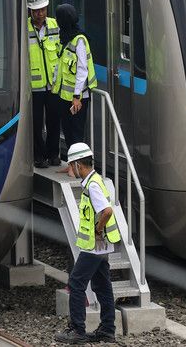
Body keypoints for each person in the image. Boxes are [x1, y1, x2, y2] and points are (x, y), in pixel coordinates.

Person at [54, 142, 119, 344]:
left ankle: (77, 330)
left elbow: (106, 211)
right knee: (102, 285)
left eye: (71, 165)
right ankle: (107, 330)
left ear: (78, 165)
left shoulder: (92, 185)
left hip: (95, 245)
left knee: (76, 283)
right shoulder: (96, 180)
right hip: (100, 246)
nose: (69, 169)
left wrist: (98, 231)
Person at [26, 0, 63, 168]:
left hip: (53, 85)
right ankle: (39, 156)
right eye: (36, 10)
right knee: (36, 124)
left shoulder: (55, 26)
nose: (40, 14)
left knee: (54, 121)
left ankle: (53, 154)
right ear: (30, 11)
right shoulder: (23, 29)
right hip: (34, 87)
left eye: (43, 9)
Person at [52, 4, 96, 148]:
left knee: (77, 133)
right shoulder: (63, 37)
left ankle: (77, 167)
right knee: (68, 130)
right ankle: (71, 165)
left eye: (59, 18)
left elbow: (82, 70)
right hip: (64, 96)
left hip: (77, 97)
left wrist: (77, 96)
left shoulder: (79, 40)